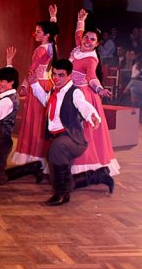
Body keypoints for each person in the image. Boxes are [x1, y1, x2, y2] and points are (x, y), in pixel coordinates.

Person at [29, 59, 110, 206]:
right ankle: (99, 175)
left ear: (69, 75)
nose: (56, 78)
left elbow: (84, 105)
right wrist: (34, 84)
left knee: (56, 149)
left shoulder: (75, 92)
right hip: (57, 137)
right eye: (54, 74)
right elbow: (46, 101)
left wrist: (92, 116)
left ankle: (62, 195)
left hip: (72, 138)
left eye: (61, 75)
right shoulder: (54, 91)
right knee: (60, 175)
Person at [69, 9, 120, 176]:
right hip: (71, 92)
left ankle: (85, 165)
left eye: (92, 40)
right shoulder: (79, 47)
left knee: (84, 131)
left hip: (83, 94)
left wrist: (99, 89)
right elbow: (78, 34)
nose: (87, 41)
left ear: (97, 44)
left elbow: (91, 77)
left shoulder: (91, 59)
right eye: (87, 37)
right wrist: (81, 20)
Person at [11, 5, 59, 168]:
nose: (35, 34)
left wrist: (25, 84)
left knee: (35, 120)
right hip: (45, 84)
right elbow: (55, 35)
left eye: (38, 31)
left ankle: (34, 156)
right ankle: (39, 156)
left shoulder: (42, 50)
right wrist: (53, 17)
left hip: (38, 84)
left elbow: (32, 70)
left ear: (46, 35)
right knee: (41, 120)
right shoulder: (52, 47)